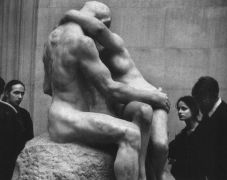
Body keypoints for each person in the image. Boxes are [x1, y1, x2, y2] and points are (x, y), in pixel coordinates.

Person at [43, 2, 170, 180]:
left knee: (140, 117)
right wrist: (152, 96)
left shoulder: (51, 39)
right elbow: (111, 89)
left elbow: (46, 88)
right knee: (131, 134)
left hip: (56, 115)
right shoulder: (83, 42)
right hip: (69, 119)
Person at [191, 76, 227, 180]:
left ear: (210, 96)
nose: (198, 105)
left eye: (200, 100)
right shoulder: (210, 114)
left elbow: (225, 157)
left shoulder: (225, 116)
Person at [169, 96, 204, 180]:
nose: (179, 112)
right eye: (178, 109)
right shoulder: (181, 136)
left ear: (193, 109)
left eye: (184, 109)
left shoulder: (205, 131)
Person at [3, 80, 34, 154]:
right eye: (16, 93)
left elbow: (29, 139)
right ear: (7, 93)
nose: (20, 97)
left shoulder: (24, 114)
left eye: (22, 94)